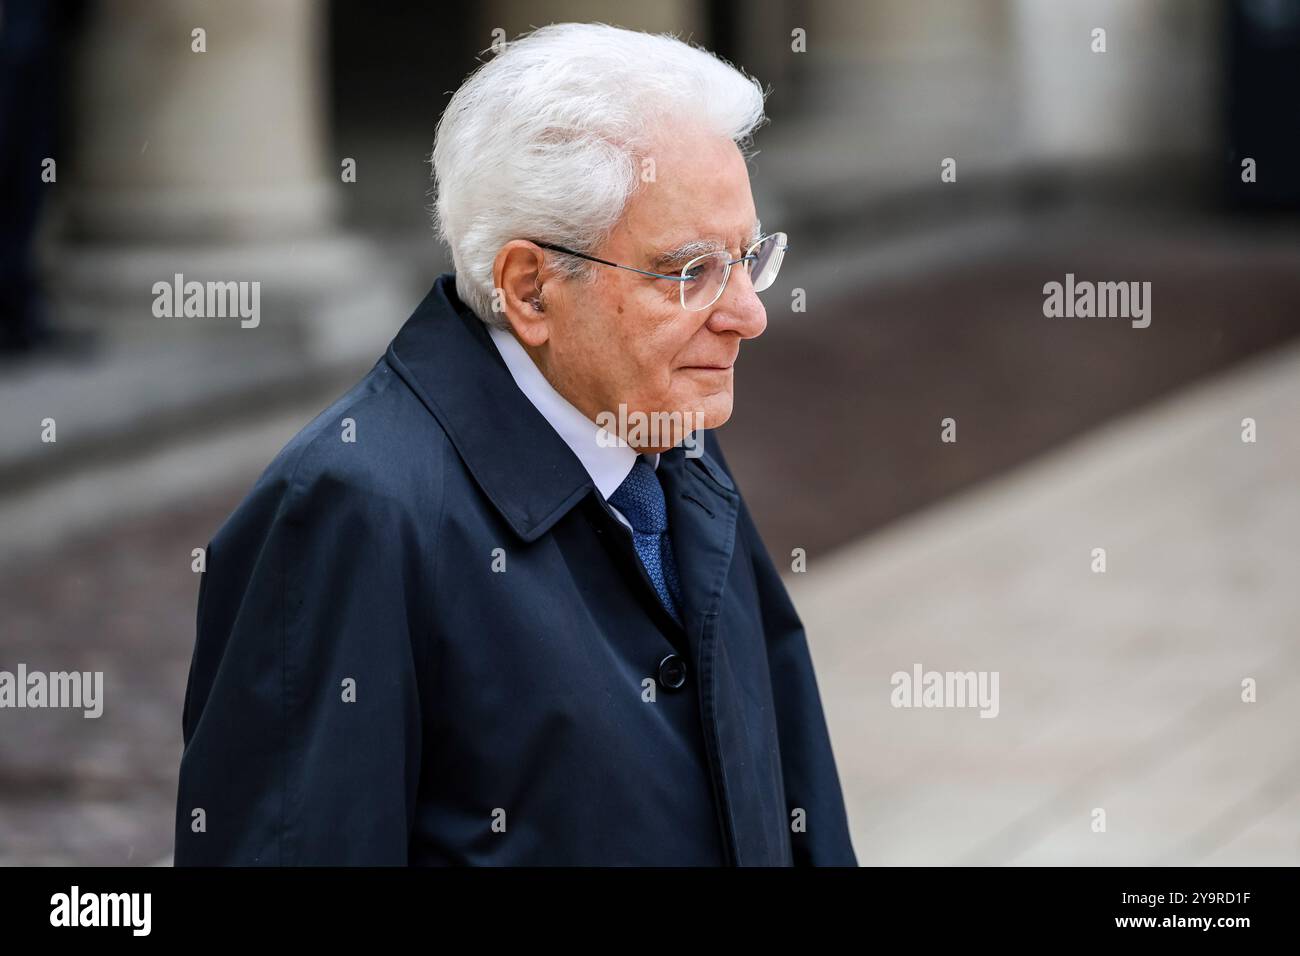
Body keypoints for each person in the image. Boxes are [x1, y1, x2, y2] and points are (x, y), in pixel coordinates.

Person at [175, 22, 856, 866]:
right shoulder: (352, 511)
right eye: (689, 273)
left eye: (748, 258)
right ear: (530, 288)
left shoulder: (664, 429)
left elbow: (793, 791)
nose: (748, 313)